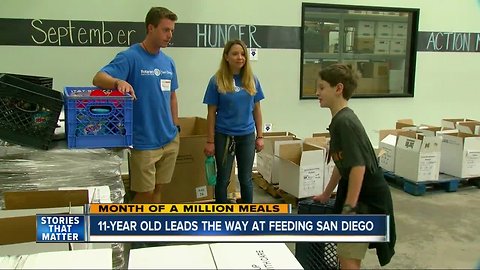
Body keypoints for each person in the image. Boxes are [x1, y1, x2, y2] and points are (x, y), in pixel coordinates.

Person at [92, 7, 180, 204]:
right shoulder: (130, 56)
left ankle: (153, 231)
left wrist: (176, 127)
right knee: (144, 194)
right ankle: (134, 230)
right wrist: (117, 82)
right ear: (151, 28)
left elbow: (172, 96)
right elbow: (98, 78)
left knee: (158, 190)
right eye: (166, 30)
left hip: (169, 138)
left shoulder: (168, 62)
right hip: (143, 141)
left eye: (172, 30)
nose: (170, 35)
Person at [313, 64, 396, 269]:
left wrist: (350, 207)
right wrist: (326, 194)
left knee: (348, 257)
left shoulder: (345, 122)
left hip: (365, 202)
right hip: (361, 199)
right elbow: (343, 164)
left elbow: (358, 167)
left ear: (338, 89)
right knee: (346, 255)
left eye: (322, 88)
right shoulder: (339, 120)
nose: (317, 93)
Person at [203, 39, 265, 204]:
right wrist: (210, 141)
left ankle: (245, 217)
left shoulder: (252, 80)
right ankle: (222, 217)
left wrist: (260, 136)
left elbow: (257, 110)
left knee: (246, 179)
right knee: (223, 179)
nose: (240, 57)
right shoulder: (216, 81)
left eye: (243, 53)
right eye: (235, 53)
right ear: (226, 57)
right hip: (224, 136)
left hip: (247, 137)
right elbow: (211, 114)